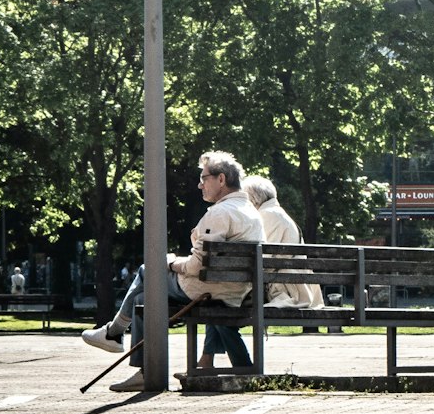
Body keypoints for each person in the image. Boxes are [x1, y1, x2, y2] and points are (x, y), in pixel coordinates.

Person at [80, 150, 264, 391]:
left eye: (204, 178)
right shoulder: (253, 214)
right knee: (143, 298)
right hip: (234, 292)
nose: (199, 185)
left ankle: (117, 336)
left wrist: (169, 263)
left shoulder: (220, 213)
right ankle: (123, 345)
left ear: (221, 179)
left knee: (149, 270)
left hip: (204, 289)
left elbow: (196, 267)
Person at [196, 176, 324, 370]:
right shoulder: (277, 213)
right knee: (220, 302)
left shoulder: (267, 216)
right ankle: (211, 361)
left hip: (282, 290)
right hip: (282, 284)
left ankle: (243, 367)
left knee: (221, 308)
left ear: (253, 198)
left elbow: (256, 262)